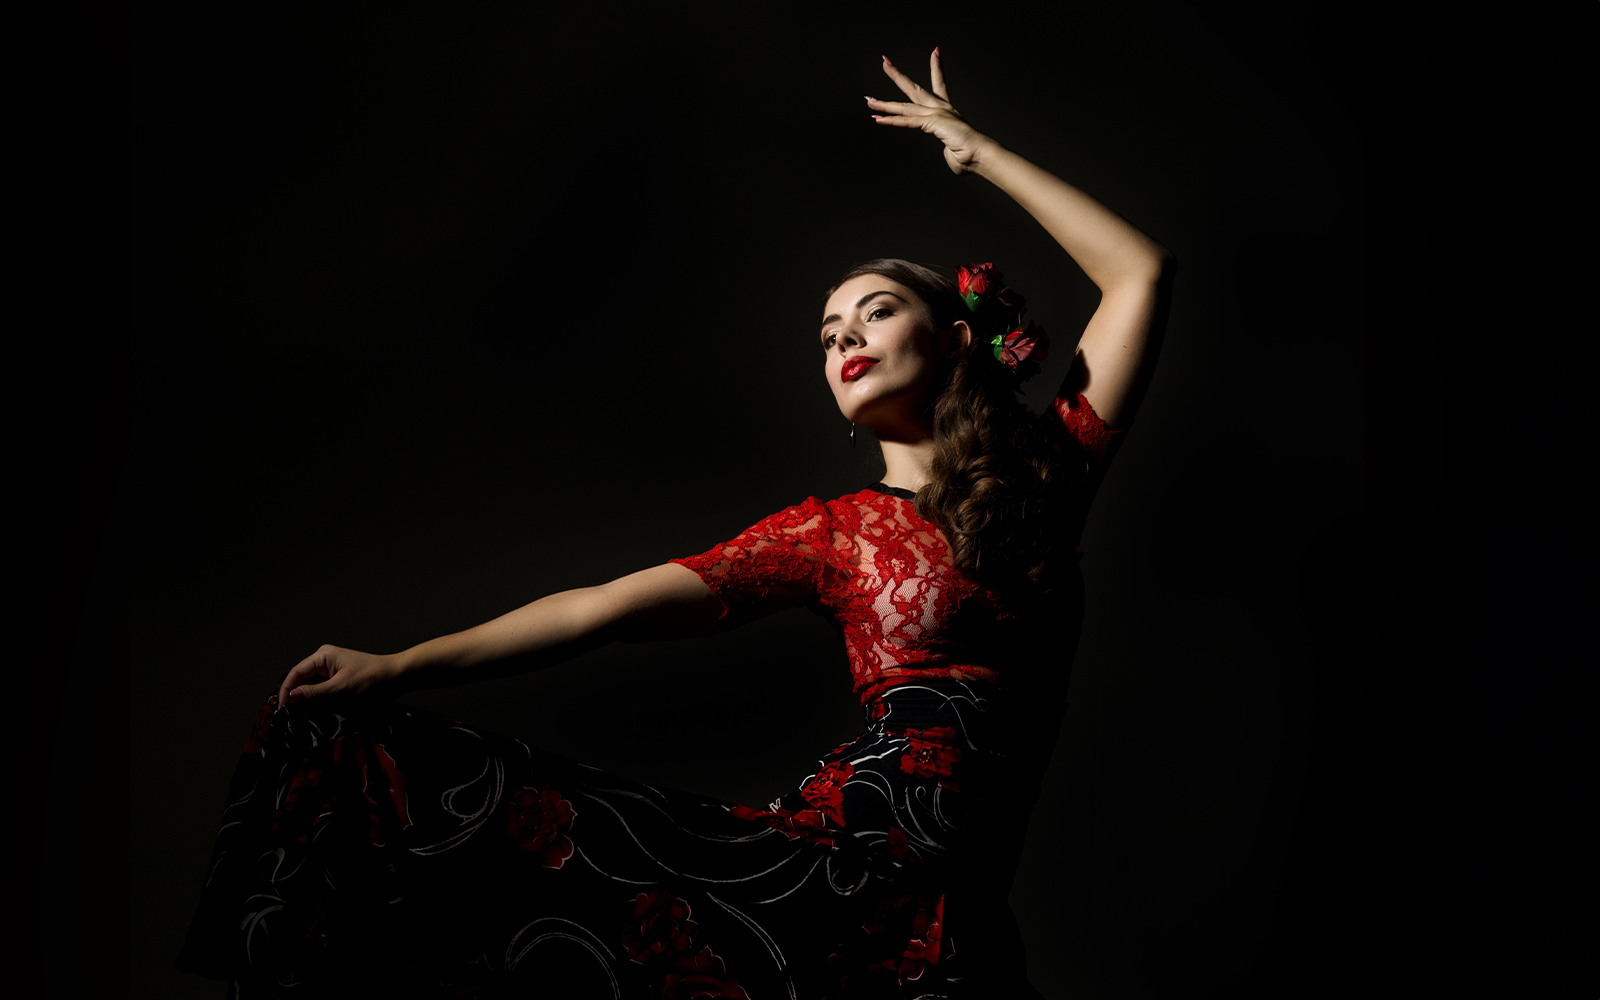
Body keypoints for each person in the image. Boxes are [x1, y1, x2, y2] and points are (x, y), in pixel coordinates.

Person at [178, 49, 1171, 999]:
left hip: (952, 920)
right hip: (830, 879)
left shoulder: (1046, 475)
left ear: (955, 338)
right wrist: (397, 666)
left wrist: (975, 151)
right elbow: (601, 610)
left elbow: (1138, 273)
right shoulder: (826, 533)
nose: (844, 341)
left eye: (870, 314)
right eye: (828, 335)